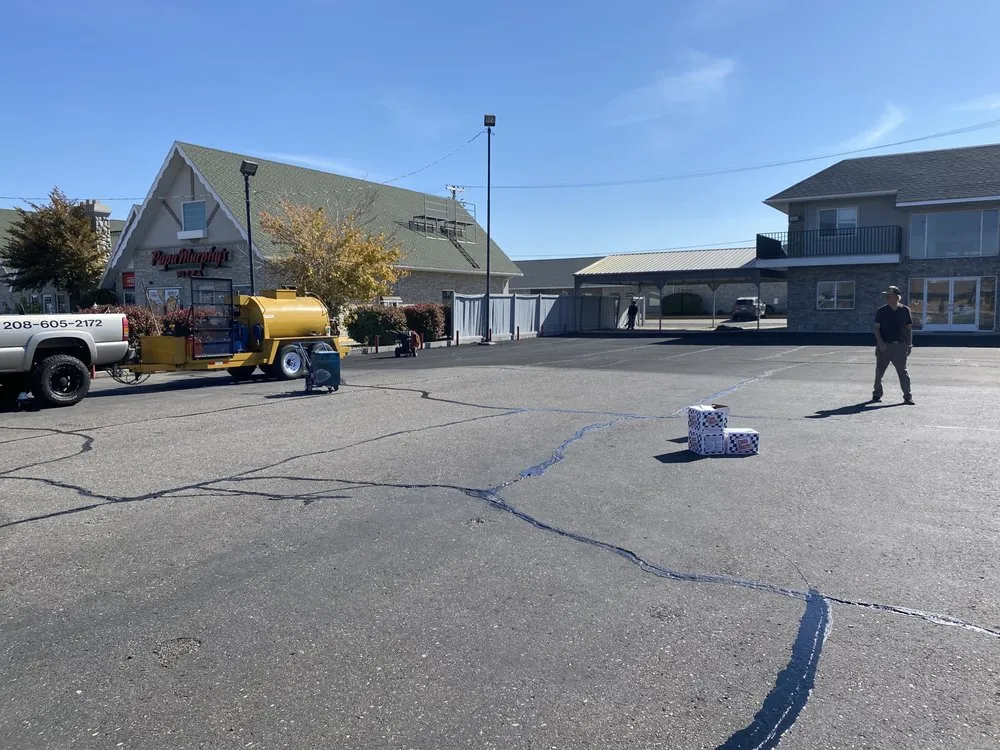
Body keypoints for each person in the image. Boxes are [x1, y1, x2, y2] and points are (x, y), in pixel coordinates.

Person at [872, 285, 914, 404]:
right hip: (885, 346)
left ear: (897, 297)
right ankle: (877, 394)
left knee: (903, 372)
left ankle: (907, 396)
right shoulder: (882, 311)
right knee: (879, 372)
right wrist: (880, 343)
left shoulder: (905, 310)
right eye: (886, 295)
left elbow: (909, 329)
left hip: (900, 346)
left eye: (889, 295)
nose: (887, 297)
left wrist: (909, 344)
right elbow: (876, 329)